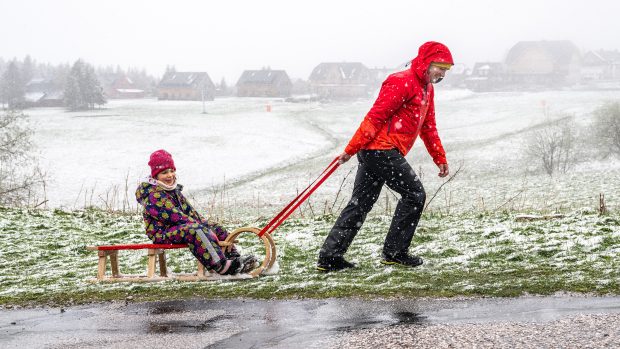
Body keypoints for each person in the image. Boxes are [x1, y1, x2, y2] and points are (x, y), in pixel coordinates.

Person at [317, 41, 454, 272]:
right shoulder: (401, 81)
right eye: (439, 66)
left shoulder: (427, 89)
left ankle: (330, 257)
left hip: (380, 152)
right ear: (426, 62)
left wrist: (439, 157)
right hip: (380, 150)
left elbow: (428, 126)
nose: (442, 72)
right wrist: (351, 149)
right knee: (415, 194)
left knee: (360, 203)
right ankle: (395, 252)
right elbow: (375, 117)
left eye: (446, 69)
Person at [136, 149, 256, 275]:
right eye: (165, 172)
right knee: (196, 230)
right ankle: (221, 265)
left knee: (214, 227)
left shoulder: (173, 191)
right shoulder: (153, 195)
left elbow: (191, 214)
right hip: (162, 234)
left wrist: (208, 226)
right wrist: (202, 227)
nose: (170, 175)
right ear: (156, 176)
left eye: (172, 171)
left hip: (180, 228)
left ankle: (234, 258)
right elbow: (175, 217)